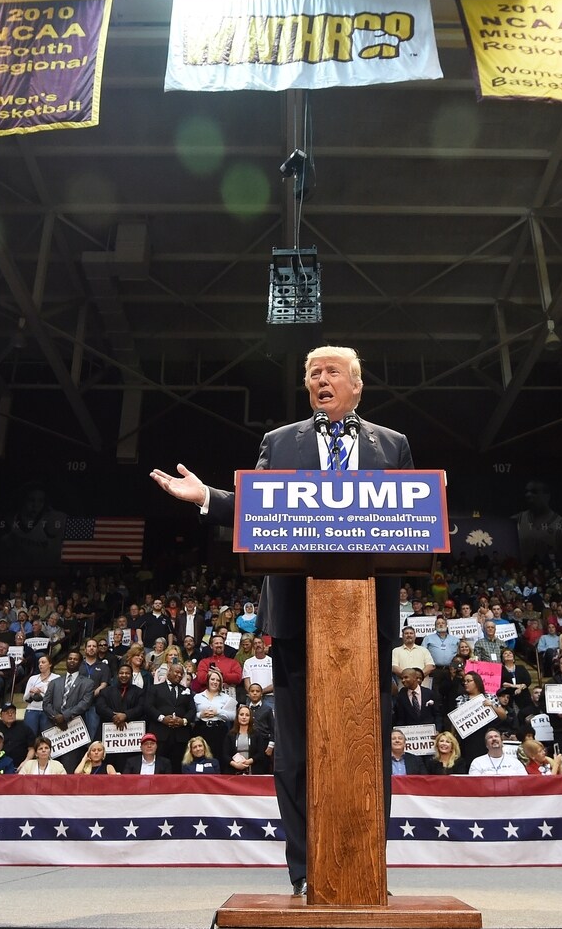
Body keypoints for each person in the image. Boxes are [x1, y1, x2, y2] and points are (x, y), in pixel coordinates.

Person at [152, 344, 413, 897]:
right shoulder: (282, 442)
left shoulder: (393, 445)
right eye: (313, 373)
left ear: (357, 385)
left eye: (332, 372)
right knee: (295, 754)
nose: (322, 380)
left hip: (368, 624)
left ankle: (369, 871)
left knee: (369, 753)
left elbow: (415, 519)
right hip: (298, 621)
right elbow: (259, 506)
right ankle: (305, 873)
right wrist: (209, 498)